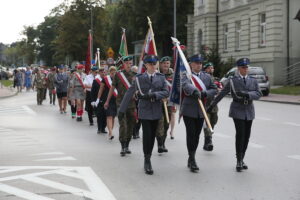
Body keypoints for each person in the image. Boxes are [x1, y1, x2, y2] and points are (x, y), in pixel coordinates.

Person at [207, 58, 262, 172]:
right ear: (238, 68)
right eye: (243, 67)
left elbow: (258, 93)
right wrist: (212, 105)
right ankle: (239, 160)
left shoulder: (253, 80)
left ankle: (242, 158)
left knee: (247, 135)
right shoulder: (232, 80)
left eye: (247, 67)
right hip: (237, 109)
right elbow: (222, 93)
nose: (245, 69)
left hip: (249, 109)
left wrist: (247, 94)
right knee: (240, 134)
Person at [119, 55, 169, 175]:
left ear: (157, 64)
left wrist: (153, 95)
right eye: (150, 64)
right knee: (147, 135)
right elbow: (129, 92)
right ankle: (147, 160)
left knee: (152, 136)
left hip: (156, 111)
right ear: (146, 65)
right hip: (145, 111)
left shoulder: (161, 78)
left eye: (154, 64)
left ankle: (148, 155)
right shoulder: (139, 78)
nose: (152, 66)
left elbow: (166, 92)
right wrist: (121, 110)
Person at [181, 54, 217, 172]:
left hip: (201, 111)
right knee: (190, 134)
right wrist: (195, 91)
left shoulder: (206, 76)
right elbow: (185, 85)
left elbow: (214, 89)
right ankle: (192, 159)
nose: (199, 65)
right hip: (189, 109)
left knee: (196, 135)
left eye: (200, 63)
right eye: (196, 63)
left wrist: (205, 93)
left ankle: (191, 156)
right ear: (191, 64)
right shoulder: (187, 75)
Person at [104, 56, 135, 156]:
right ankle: (122, 146)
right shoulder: (118, 75)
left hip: (132, 105)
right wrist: (107, 101)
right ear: (123, 64)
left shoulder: (135, 75)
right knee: (123, 125)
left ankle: (127, 145)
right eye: (127, 63)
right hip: (120, 104)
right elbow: (112, 89)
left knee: (130, 126)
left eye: (130, 63)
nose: (129, 65)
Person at [95, 66, 117, 139]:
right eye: (112, 72)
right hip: (107, 100)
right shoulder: (105, 79)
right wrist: (98, 99)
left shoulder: (118, 79)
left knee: (113, 117)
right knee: (109, 116)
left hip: (115, 100)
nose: (113, 73)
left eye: (114, 72)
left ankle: (111, 130)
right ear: (110, 72)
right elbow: (100, 89)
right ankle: (110, 132)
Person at [202, 62, 220, 151]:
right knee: (207, 123)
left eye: (212, 68)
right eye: (209, 68)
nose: (211, 70)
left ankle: (206, 141)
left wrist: (219, 90)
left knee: (213, 122)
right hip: (205, 105)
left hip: (214, 105)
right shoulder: (203, 79)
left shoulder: (216, 79)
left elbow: (219, 89)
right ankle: (209, 141)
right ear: (205, 69)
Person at [91, 67, 107, 134]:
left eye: (104, 72)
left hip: (106, 100)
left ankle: (103, 128)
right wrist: (93, 101)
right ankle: (99, 128)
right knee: (99, 115)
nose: (103, 73)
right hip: (98, 100)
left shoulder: (107, 80)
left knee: (105, 115)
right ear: (99, 73)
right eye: (102, 72)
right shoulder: (96, 80)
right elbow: (93, 91)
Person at [131, 65, 141, 139]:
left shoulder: (140, 78)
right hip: (131, 100)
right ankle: (133, 132)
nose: (135, 74)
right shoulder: (129, 78)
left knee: (139, 117)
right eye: (134, 72)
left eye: (136, 72)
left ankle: (137, 131)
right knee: (133, 116)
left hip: (139, 100)